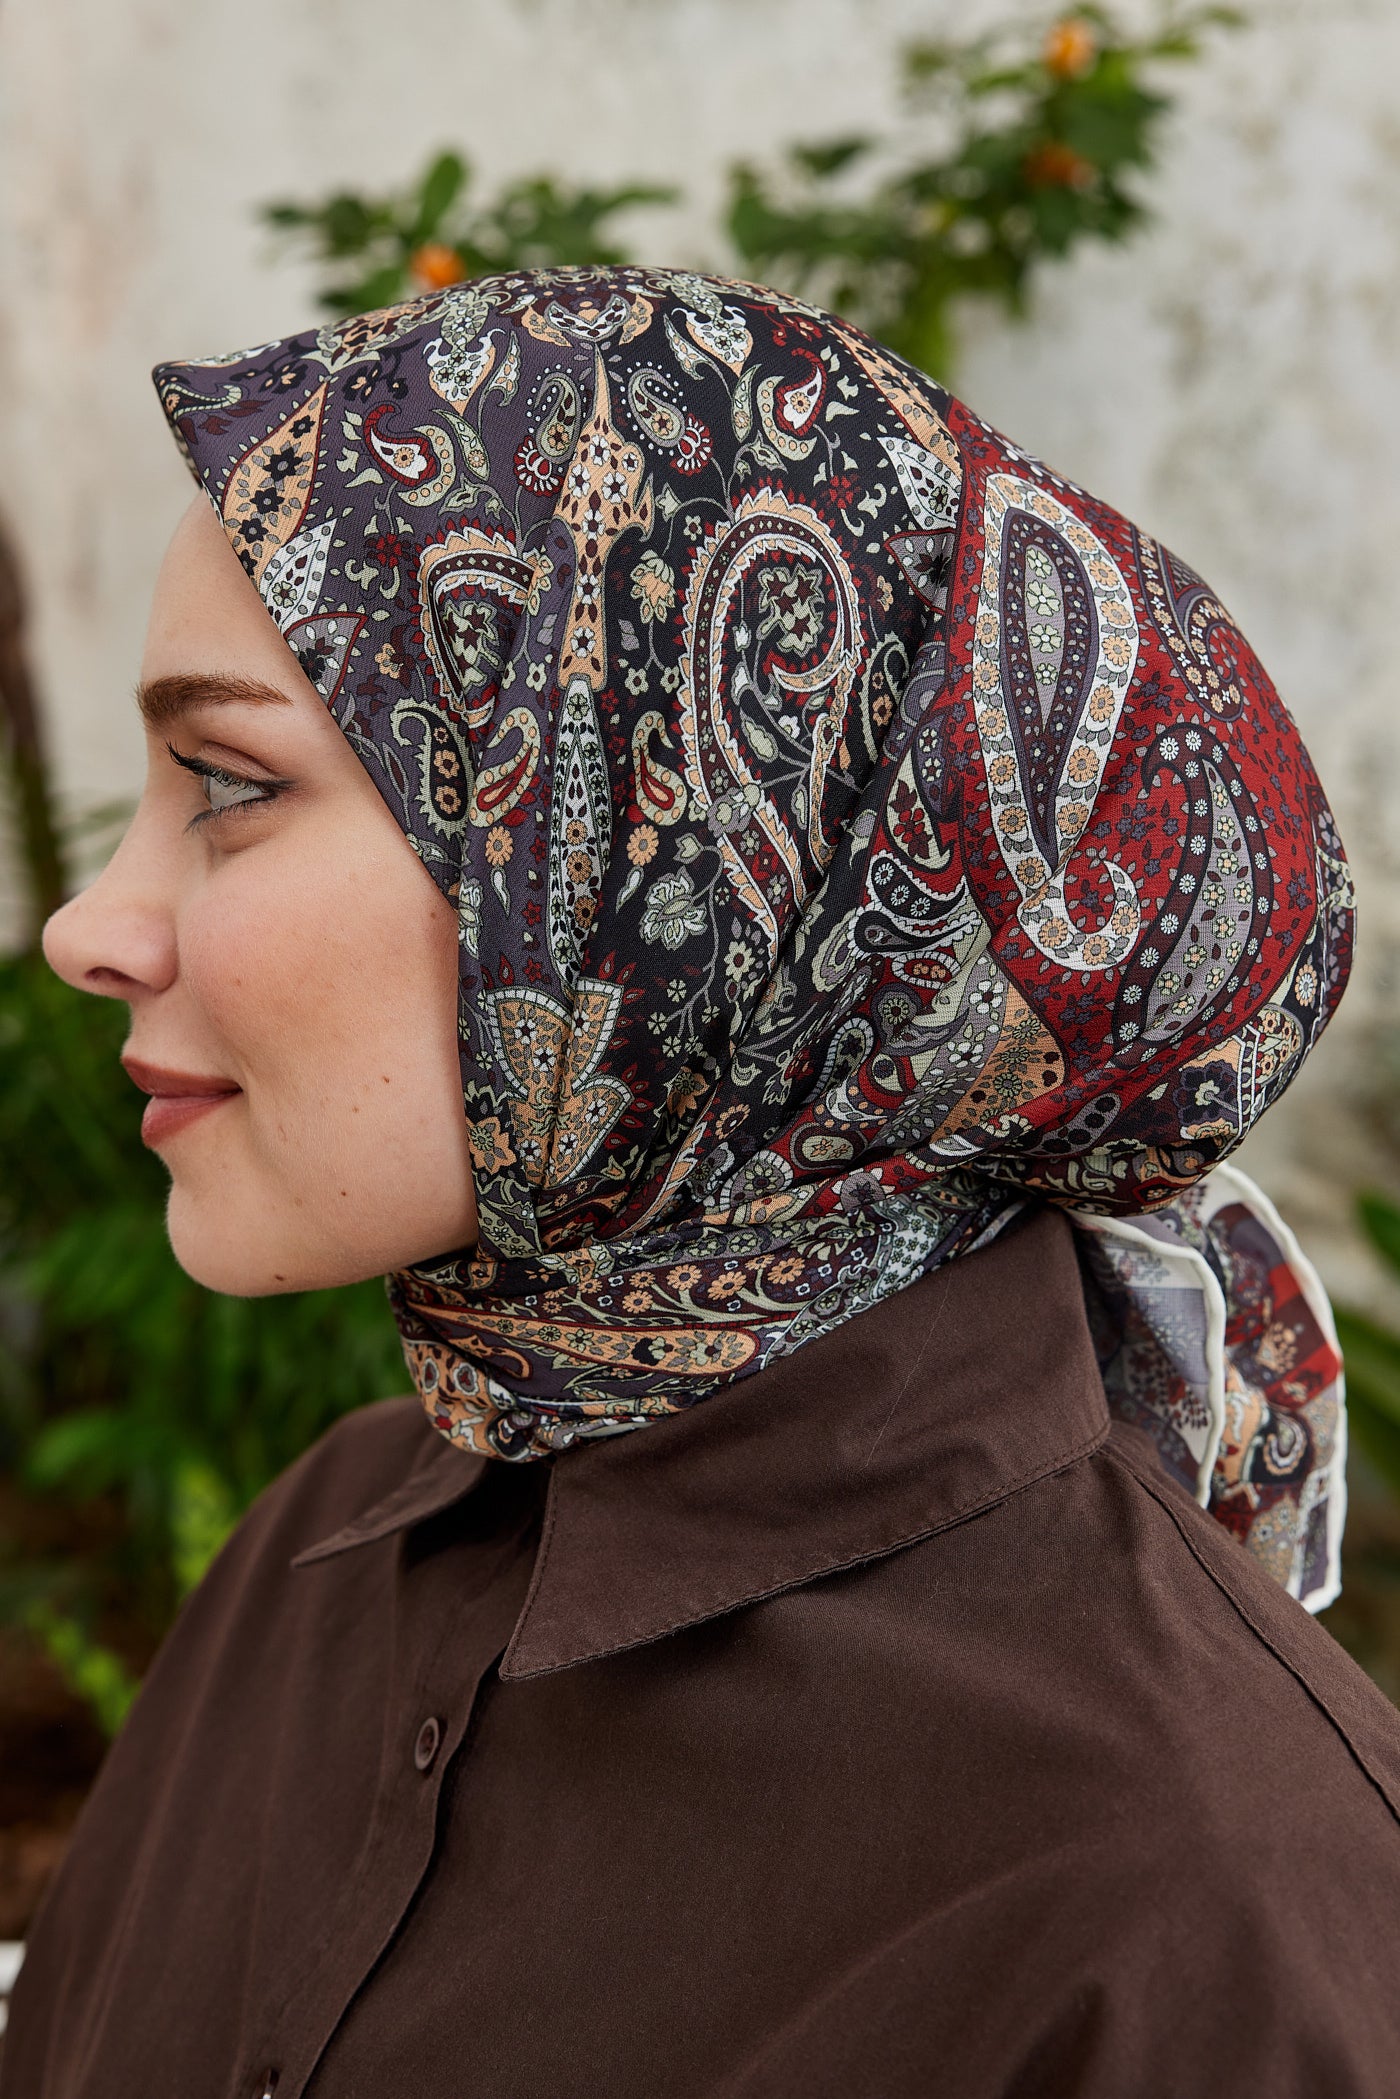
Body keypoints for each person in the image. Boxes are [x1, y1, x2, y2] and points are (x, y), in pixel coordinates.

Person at [7, 266, 1397, 2098]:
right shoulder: (318, 1559)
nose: (88, 927)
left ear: (681, 870)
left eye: (228, 783)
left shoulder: (1195, 1901)